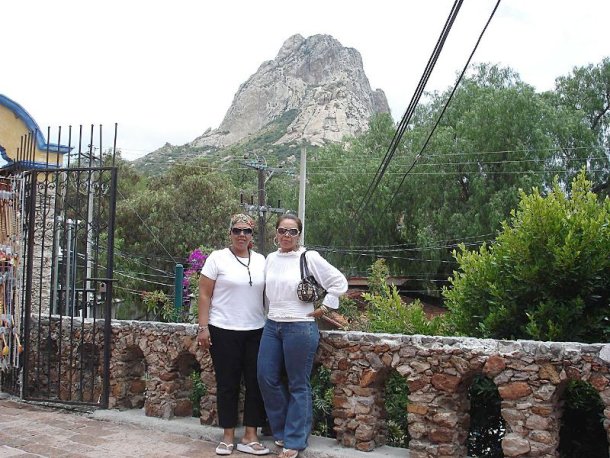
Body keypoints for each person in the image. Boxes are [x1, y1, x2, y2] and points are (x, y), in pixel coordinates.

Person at [257, 214, 348, 458]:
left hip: (300, 325)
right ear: (275, 233)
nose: (287, 235)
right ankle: (283, 429)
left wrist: (325, 307)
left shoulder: (309, 257)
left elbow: (339, 282)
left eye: (293, 231)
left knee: (298, 383)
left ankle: (295, 440)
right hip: (272, 324)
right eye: (282, 230)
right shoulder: (270, 259)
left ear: (299, 234)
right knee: (265, 376)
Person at [197, 214, 269, 456]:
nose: (241, 235)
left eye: (247, 231)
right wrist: (203, 327)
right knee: (227, 384)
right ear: (230, 233)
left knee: (255, 384)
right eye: (237, 230)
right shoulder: (217, 259)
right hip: (223, 329)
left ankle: (250, 435)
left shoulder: (261, 261)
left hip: (256, 330)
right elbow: (205, 294)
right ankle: (227, 436)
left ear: (252, 236)